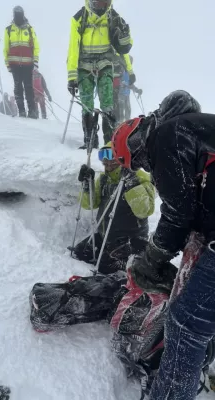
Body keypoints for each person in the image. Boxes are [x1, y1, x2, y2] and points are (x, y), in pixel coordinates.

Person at [111, 90, 215, 399]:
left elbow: (177, 212)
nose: (146, 164)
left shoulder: (168, 134)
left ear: (138, 139)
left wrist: (152, 257)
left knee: (185, 323)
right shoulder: (194, 130)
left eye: (139, 158)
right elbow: (192, 208)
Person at [71, 141, 155, 274]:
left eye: (114, 159)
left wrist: (132, 184)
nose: (108, 164)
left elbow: (144, 211)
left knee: (104, 267)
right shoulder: (105, 179)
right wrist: (88, 186)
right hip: (106, 236)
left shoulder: (141, 178)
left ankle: (132, 262)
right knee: (78, 253)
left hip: (130, 240)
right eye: (105, 159)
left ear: (123, 158)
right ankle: (107, 253)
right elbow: (89, 205)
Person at [67, 0, 133, 149]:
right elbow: (73, 48)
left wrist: (125, 37)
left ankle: (110, 142)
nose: (102, 7)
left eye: (105, 3)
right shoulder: (79, 18)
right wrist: (72, 77)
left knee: (108, 103)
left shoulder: (114, 17)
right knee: (87, 105)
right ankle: (90, 140)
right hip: (84, 66)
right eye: (99, 3)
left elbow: (123, 49)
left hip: (105, 64)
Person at [4, 6, 39, 119]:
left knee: (28, 86)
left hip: (28, 63)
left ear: (23, 14)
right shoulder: (9, 30)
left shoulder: (29, 29)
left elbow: (36, 46)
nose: (18, 16)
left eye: (19, 14)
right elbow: (6, 48)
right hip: (14, 64)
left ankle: (32, 111)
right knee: (18, 86)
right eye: (16, 14)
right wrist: (7, 63)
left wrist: (36, 61)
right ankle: (21, 111)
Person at [117, 55, 142, 123]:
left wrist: (137, 90)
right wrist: (122, 84)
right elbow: (117, 81)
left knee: (128, 110)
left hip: (126, 95)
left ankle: (127, 125)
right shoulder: (120, 70)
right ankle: (119, 125)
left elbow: (131, 84)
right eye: (129, 62)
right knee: (121, 112)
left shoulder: (128, 73)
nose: (130, 63)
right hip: (120, 94)